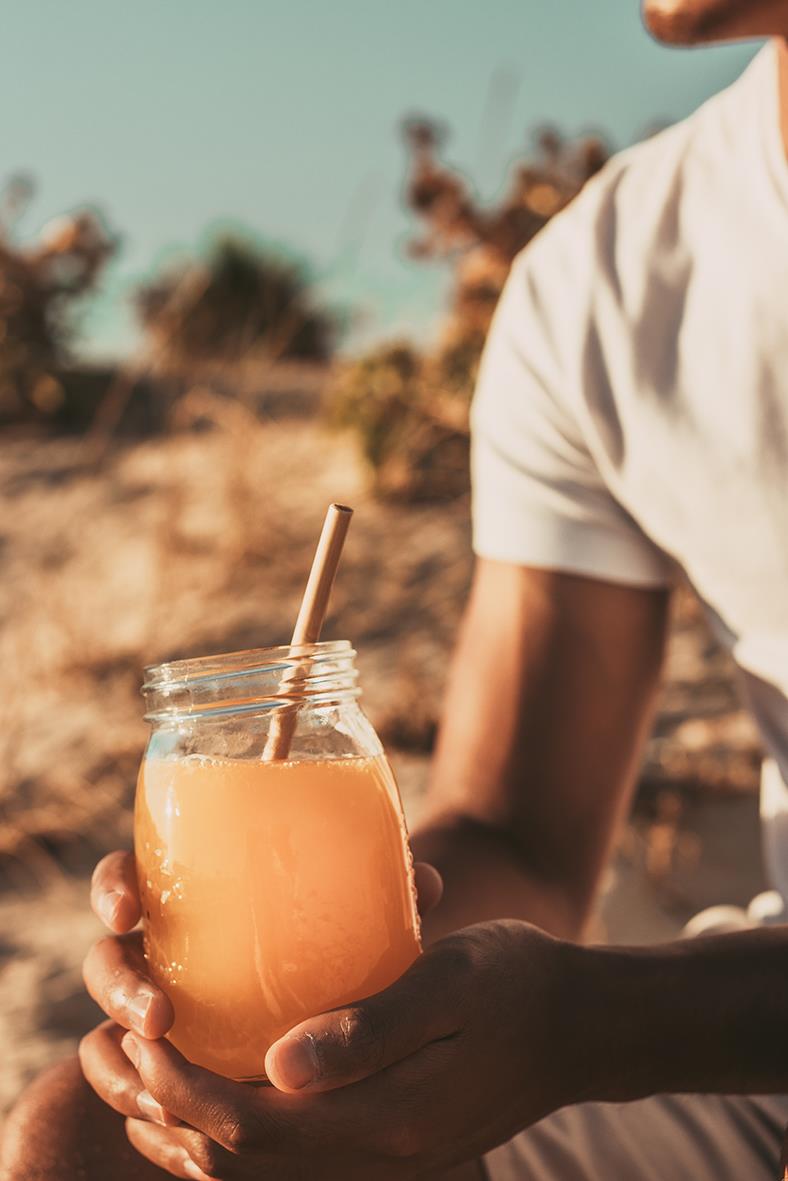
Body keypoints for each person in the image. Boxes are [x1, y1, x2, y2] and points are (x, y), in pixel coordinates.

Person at [5, 1, 788, 1178]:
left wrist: (591, 1026)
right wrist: (325, 976)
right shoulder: (600, 277)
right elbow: (521, 837)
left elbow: (586, 1019)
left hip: (720, 1023)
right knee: (87, 1142)